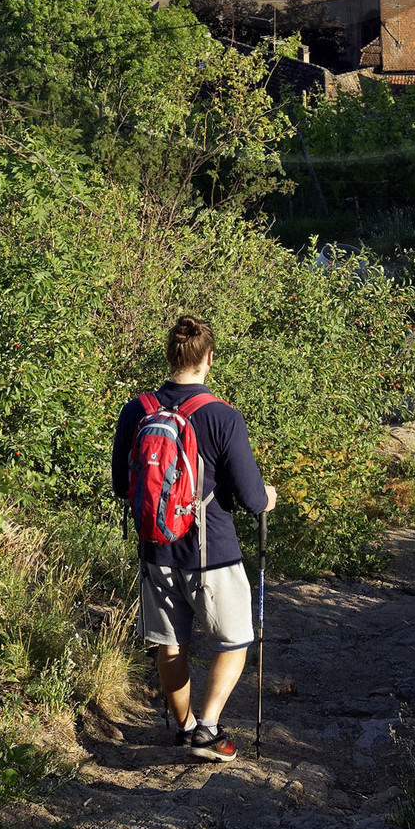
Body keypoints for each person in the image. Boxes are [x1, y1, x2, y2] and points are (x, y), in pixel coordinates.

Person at [112, 313, 276, 763]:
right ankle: (207, 729)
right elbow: (251, 497)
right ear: (209, 358)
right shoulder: (222, 416)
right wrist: (269, 499)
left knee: (171, 642)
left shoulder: (137, 410)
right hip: (212, 553)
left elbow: (120, 485)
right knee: (235, 639)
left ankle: (184, 728)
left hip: (156, 550)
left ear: (170, 356)